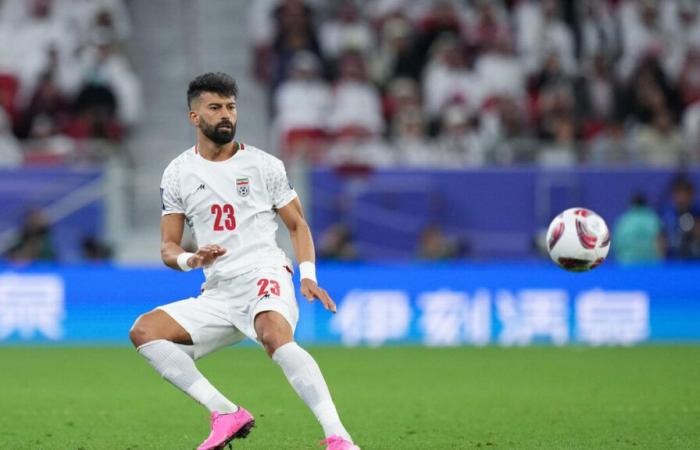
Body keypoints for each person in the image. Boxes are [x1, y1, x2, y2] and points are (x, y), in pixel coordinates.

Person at [128, 73, 359, 450]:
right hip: (219, 290)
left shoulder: (264, 166)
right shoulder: (178, 173)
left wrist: (307, 275)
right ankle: (225, 412)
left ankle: (339, 438)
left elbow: (297, 224)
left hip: (264, 271)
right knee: (144, 332)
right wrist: (191, 259)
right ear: (194, 117)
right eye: (215, 107)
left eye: (231, 107)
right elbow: (168, 247)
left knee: (273, 334)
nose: (226, 115)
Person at [612, 193, 663, 264]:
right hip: (651, 267)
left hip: (626, 266)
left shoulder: (623, 221)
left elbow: (616, 245)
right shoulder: (654, 220)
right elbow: (661, 244)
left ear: (631, 205)